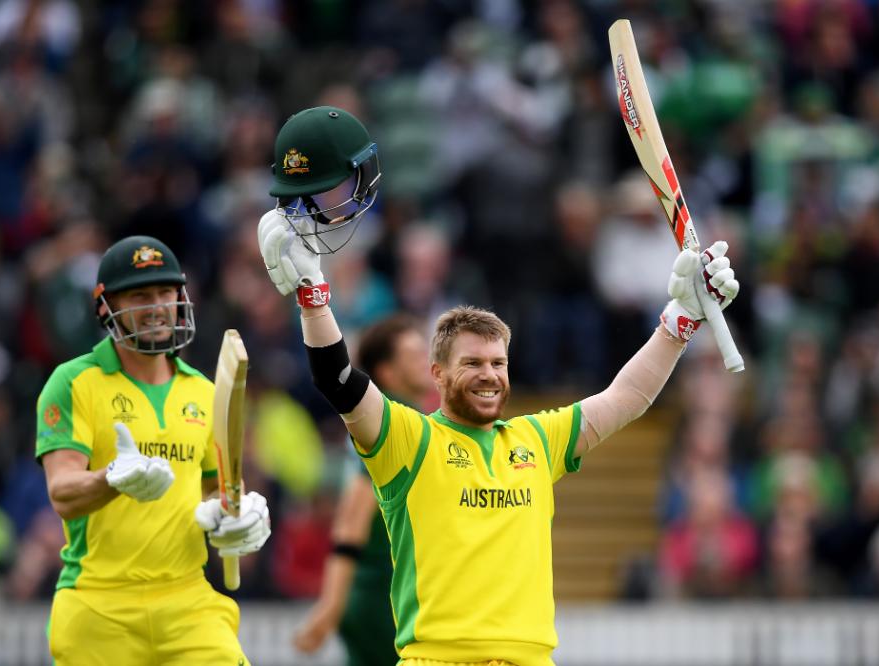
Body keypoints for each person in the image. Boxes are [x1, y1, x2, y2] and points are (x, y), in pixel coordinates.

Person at [258, 106, 740, 666]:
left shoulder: (535, 442)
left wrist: (679, 320)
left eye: (498, 363)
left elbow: (626, 399)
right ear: (436, 375)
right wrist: (313, 291)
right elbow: (336, 379)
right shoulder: (407, 443)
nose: (489, 375)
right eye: (473, 363)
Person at [35, 235, 272, 665]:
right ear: (106, 306)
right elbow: (62, 492)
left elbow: (217, 489)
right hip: (98, 603)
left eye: (166, 291)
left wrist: (235, 516)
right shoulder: (72, 383)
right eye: (141, 295)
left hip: (187, 599)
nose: (158, 305)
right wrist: (113, 479)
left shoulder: (204, 390)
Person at [294, 313, 434, 665]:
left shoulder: (390, 419)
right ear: (386, 372)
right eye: (415, 356)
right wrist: (331, 605)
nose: (427, 363)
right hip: (381, 597)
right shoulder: (392, 423)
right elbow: (351, 521)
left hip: (378, 595)